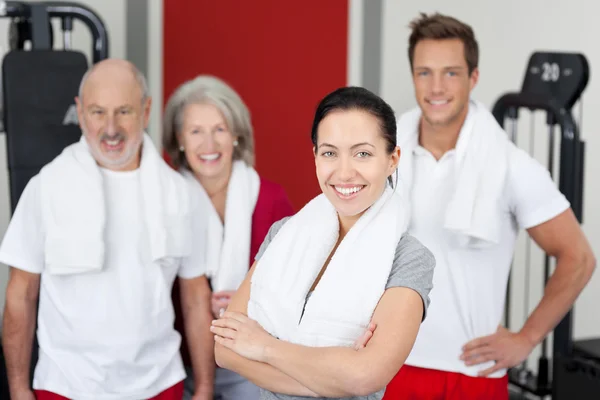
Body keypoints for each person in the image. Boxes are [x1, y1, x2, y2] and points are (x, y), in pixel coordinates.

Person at [383, 13, 596, 399]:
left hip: (469, 372)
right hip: (388, 361)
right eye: (424, 72)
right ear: (412, 75)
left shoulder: (511, 166)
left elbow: (578, 258)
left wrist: (526, 338)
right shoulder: (382, 153)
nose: (436, 87)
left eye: (450, 73)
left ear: (473, 77)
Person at [0, 59, 210, 400]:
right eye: (98, 112)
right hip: (65, 386)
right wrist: (18, 390)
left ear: (146, 111)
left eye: (124, 112)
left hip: (159, 384)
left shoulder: (181, 193)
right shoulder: (47, 187)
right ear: (80, 112)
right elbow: (20, 295)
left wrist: (203, 388)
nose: (111, 129)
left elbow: (196, 298)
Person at [210, 86, 436, 400]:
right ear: (315, 156)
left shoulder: (409, 258)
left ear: (392, 159)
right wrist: (334, 378)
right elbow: (225, 350)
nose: (344, 173)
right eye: (330, 152)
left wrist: (263, 346)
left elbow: (365, 376)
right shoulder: (283, 234)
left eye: (363, 153)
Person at [162, 75, 296, 400]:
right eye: (196, 131)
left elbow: (298, 287)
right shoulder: (163, 199)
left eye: (219, 129)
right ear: (179, 138)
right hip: (178, 368)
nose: (209, 144)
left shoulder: (271, 199)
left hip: (256, 366)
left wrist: (249, 300)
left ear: (236, 135)